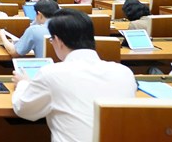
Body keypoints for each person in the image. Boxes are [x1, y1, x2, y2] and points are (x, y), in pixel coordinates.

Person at [12, 9, 136, 141]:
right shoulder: (125, 73)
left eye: (51, 40)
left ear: (58, 41)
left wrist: (23, 83)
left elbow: (23, 109)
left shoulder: (52, 73)